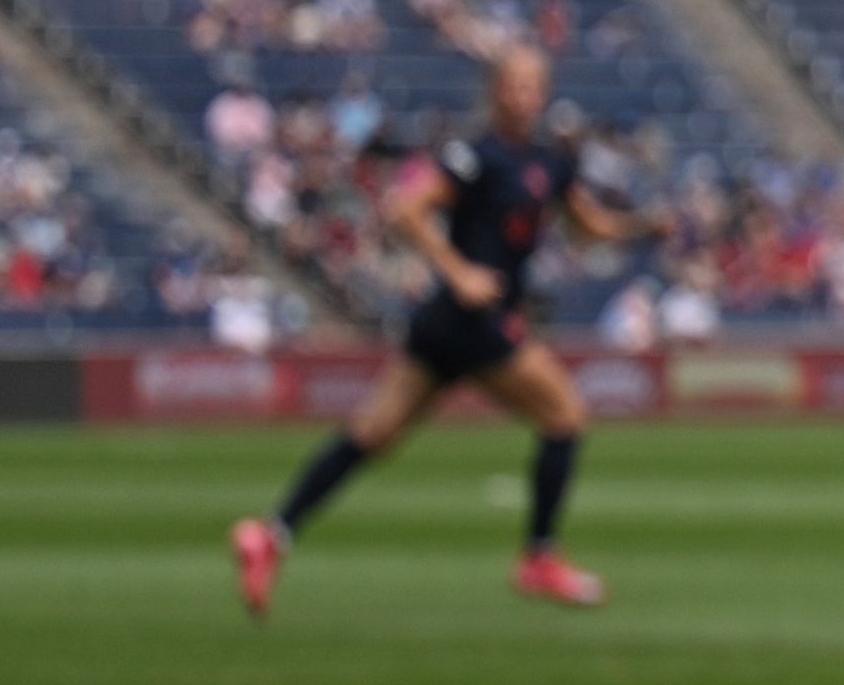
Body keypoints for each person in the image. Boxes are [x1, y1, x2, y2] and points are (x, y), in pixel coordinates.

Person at [231, 45, 647, 616]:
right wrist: (459, 272)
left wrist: (644, 226)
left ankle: (271, 535)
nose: (525, 95)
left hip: (448, 323)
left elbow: (587, 225)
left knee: (371, 434)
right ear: (496, 89)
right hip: (474, 318)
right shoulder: (475, 154)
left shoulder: (552, 160)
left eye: (534, 85)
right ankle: (538, 558)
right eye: (515, 84)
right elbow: (405, 209)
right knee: (565, 416)